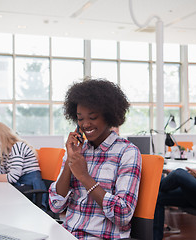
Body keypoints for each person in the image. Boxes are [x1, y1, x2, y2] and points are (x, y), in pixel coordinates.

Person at [49, 78, 142, 239]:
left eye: (92, 117)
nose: (85, 124)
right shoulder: (78, 149)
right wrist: (70, 162)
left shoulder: (127, 152)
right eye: (80, 118)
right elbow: (55, 205)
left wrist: (84, 176)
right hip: (67, 234)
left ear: (109, 116)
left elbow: (123, 214)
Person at [0, 122, 46, 195]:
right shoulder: (6, 151)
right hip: (21, 184)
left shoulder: (17, 147)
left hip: (30, 186)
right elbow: (2, 171)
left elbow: (12, 177)